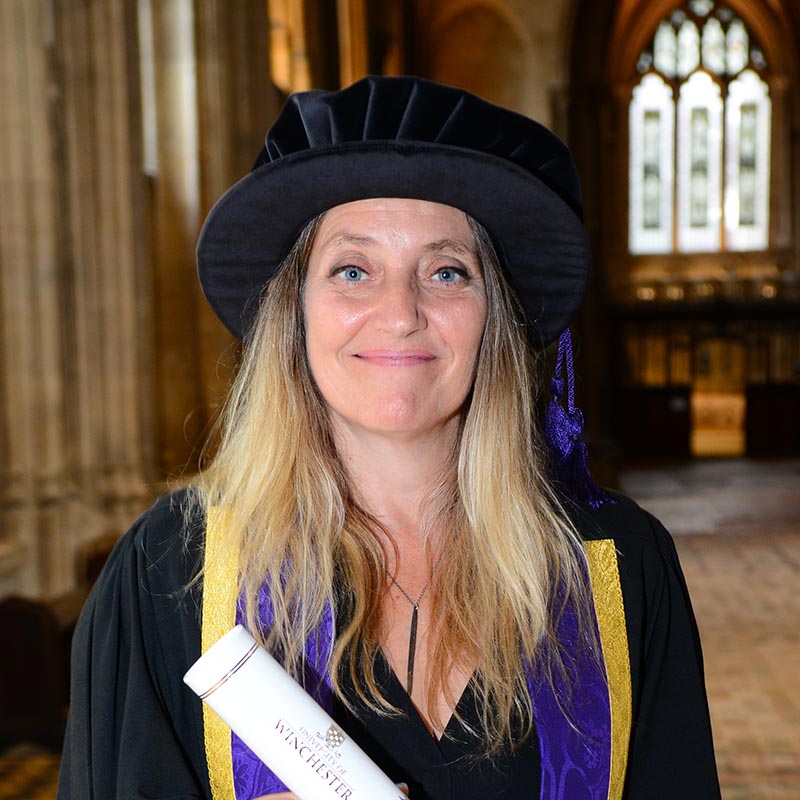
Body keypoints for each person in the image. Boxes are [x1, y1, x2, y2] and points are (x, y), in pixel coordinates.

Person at [57, 76, 721, 800]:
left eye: (445, 271)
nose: (400, 312)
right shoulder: (171, 575)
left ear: (493, 320)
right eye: (352, 270)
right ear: (295, 313)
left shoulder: (616, 570)